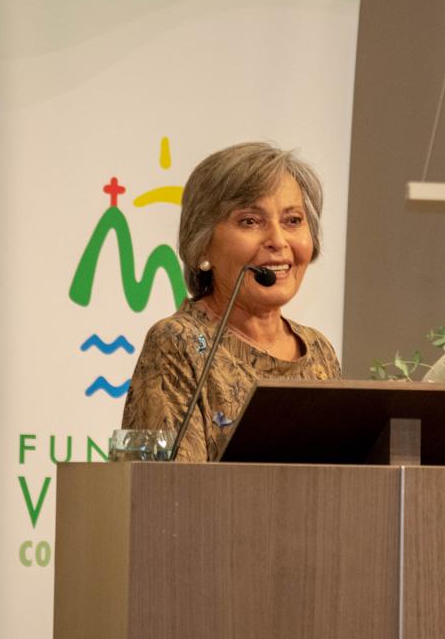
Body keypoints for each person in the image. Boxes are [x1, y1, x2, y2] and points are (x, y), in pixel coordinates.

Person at [122, 141, 340, 461]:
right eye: (250, 221)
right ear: (203, 244)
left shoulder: (318, 350)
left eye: (293, 220)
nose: (278, 241)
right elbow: (166, 494)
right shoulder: (179, 343)